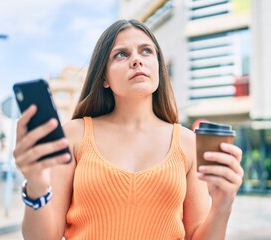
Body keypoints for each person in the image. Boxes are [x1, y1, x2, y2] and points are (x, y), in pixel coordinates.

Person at [13, 19, 244, 240]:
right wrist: (37, 186)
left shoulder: (188, 143)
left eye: (146, 51)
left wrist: (223, 205)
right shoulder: (74, 135)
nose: (136, 60)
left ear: (158, 68)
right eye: (121, 54)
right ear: (104, 77)